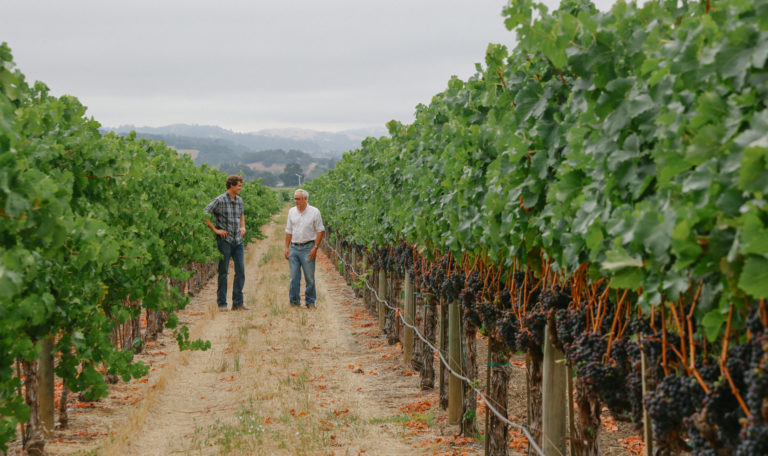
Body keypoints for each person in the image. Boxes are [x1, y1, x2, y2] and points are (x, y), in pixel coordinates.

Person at [205, 175, 248, 311]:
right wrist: (215, 230)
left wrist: (243, 227)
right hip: (225, 241)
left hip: (238, 240)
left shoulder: (240, 200)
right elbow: (205, 213)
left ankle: (238, 303)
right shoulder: (220, 200)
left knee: (240, 271)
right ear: (231, 186)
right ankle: (222, 304)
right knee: (223, 272)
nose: (241, 188)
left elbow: (241, 215)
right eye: (239, 185)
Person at [284, 189, 324, 308]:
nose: (296, 201)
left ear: (305, 199)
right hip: (294, 247)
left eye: (298, 199)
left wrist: (315, 247)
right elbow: (289, 231)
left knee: (310, 278)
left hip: (308, 247)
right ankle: (294, 302)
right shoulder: (291, 212)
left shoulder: (314, 212)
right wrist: (286, 247)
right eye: (295, 199)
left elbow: (320, 230)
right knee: (294, 278)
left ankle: (310, 302)